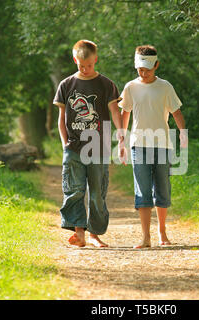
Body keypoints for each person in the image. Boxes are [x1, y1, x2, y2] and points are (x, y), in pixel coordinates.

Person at [53, 40, 124, 247]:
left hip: (98, 147)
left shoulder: (106, 84)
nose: (85, 69)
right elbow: (62, 117)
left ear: (96, 60)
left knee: (97, 193)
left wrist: (120, 135)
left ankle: (94, 235)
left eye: (89, 65)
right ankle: (79, 233)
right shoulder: (66, 85)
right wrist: (64, 141)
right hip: (73, 147)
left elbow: (115, 112)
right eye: (81, 65)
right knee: (74, 190)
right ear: (75, 60)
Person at [118, 45, 187, 248]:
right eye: (140, 69)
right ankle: (145, 236)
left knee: (162, 188)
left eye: (147, 68)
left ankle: (162, 232)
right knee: (143, 190)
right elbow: (125, 113)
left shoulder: (165, 87)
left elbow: (176, 112)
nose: (143, 73)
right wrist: (121, 140)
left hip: (162, 145)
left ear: (156, 65)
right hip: (138, 145)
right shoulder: (130, 87)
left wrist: (183, 133)